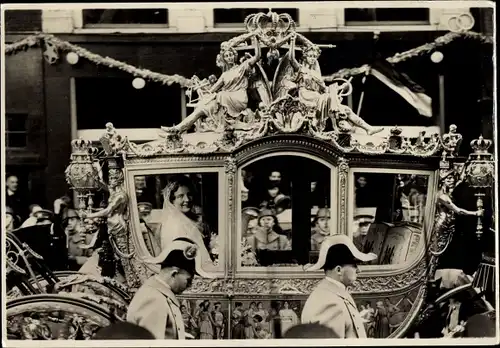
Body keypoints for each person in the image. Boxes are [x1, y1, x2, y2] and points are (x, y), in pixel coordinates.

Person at [161, 36, 262, 133]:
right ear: (224, 59)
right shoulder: (224, 75)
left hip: (238, 99)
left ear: (234, 55)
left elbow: (257, 56)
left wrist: (256, 38)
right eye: (226, 56)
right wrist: (199, 85)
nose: (229, 58)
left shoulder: (242, 67)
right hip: (225, 99)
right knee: (201, 109)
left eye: (230, 55)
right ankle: (178, 129)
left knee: (220, 95)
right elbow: (212, 90)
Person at [287, 36, 383, 136]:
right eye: (310, 56)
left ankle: (368, 128)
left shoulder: (316, 74)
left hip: (318, 97)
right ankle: (340, 120)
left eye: (314, 56)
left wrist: (341, 87)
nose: (312, 59)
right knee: (330, 99)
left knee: (347, 109)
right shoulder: (301, 69)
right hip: (306, 96)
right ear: (305, 56)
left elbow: (325, 89)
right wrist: (293, 41)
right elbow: (291, 59)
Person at [126, 237, 214, 339]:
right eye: (188, 280)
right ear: (174, 274)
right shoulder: (154, 299)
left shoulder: (157, 294)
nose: (189, 285)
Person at [302, 234, 377, 338]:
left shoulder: (334, 293)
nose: (359, 270)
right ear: (338, 270)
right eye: (354, 265)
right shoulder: (328, 304)